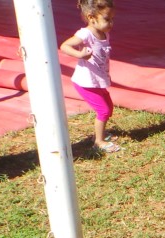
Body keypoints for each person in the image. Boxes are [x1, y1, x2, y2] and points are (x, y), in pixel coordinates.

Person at [60, 0, 121, 154]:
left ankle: (101, 134)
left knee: (108, 108)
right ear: (91, 17)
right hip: (86, 82)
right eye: (107, 19)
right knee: (104, 110)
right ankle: (98, 142)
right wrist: (80, 54)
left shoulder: (104, 33)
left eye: (112, 19)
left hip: (96, 80)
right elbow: (65, 46)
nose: (111, 23)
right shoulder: (86, 33)